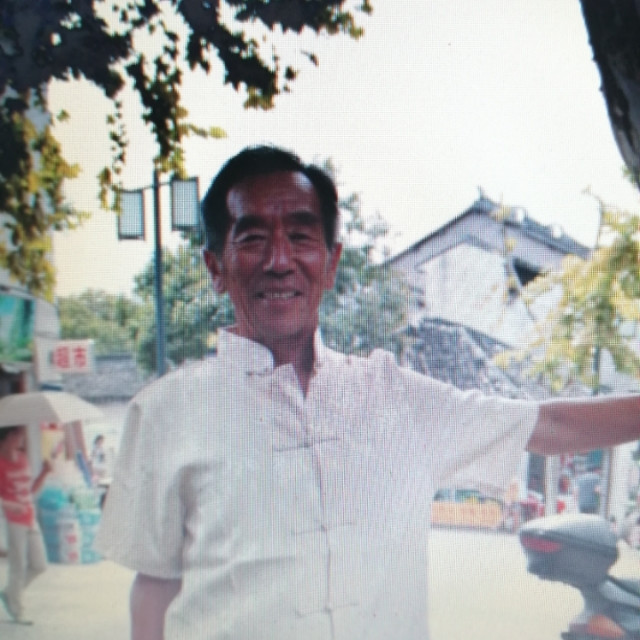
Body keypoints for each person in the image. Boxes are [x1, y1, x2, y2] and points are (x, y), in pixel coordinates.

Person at [96, 145, 640, 640]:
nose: (279, 260)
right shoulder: (167, 412)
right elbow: (155, 585)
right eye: (253, 238)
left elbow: (549, 425)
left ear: (330, 263)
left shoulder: (395, 398)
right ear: (216, 267)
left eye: (301, 237)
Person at [0, 425, 51, 625]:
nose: (20, 439)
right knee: (18, 565)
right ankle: (17, 610)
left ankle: (10, 593)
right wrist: (9, 504)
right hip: (14, 520)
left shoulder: (22, 458)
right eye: (16, 435)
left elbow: (30, 490)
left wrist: (44, 473)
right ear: (5, 438)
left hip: (30, 517)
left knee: (39, 565)